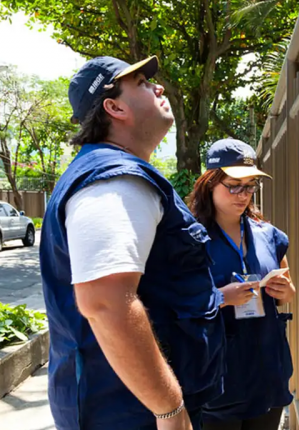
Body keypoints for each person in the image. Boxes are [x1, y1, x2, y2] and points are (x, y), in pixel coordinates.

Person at [40, 56, 249, 430]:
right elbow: (105, 302)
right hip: (132, 414)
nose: (159, 87)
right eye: (140, 83)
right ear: (114, 107)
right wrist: (168, 409)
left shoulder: (114, 173)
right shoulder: (114, 179)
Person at [188, 139, 296, 430]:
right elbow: (174, 304)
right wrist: (220, 298)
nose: (243, 194)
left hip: (266, 373)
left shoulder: (268, 234)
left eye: (250, 186)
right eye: (234, 185)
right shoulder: (189, 239)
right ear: (209, 183)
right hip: (219, 379)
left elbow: (288, 290)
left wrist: (285, 292)